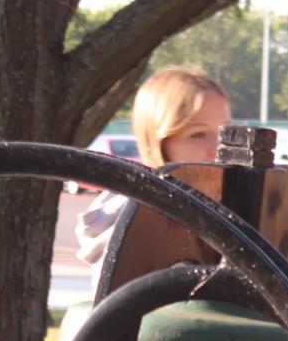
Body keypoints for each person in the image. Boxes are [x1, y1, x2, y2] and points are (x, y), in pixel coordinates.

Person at [74, 65, 232, 264]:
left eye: (226, 132)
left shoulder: (228, 203)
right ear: (159, 143)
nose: (218, 147)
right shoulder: (137, 217)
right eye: (198, 134)